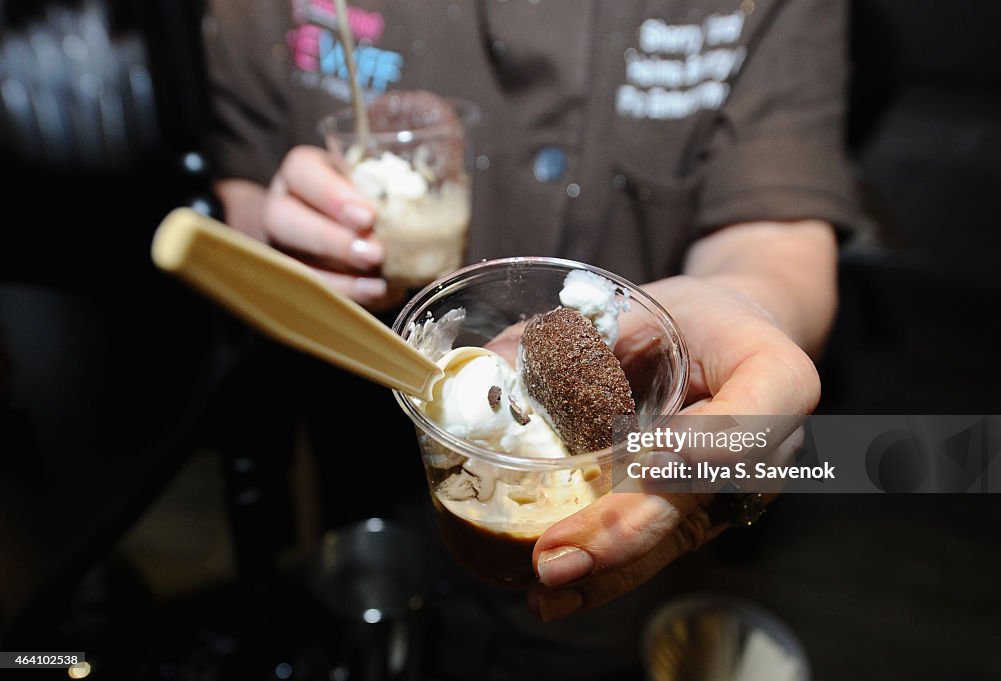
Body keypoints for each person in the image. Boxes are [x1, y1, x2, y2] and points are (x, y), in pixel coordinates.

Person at [199, 0, 867, 676]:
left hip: (619, 531)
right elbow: (238, 192)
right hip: (360, 492)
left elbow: (776, 227)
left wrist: (747, 307)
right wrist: (291, 238)